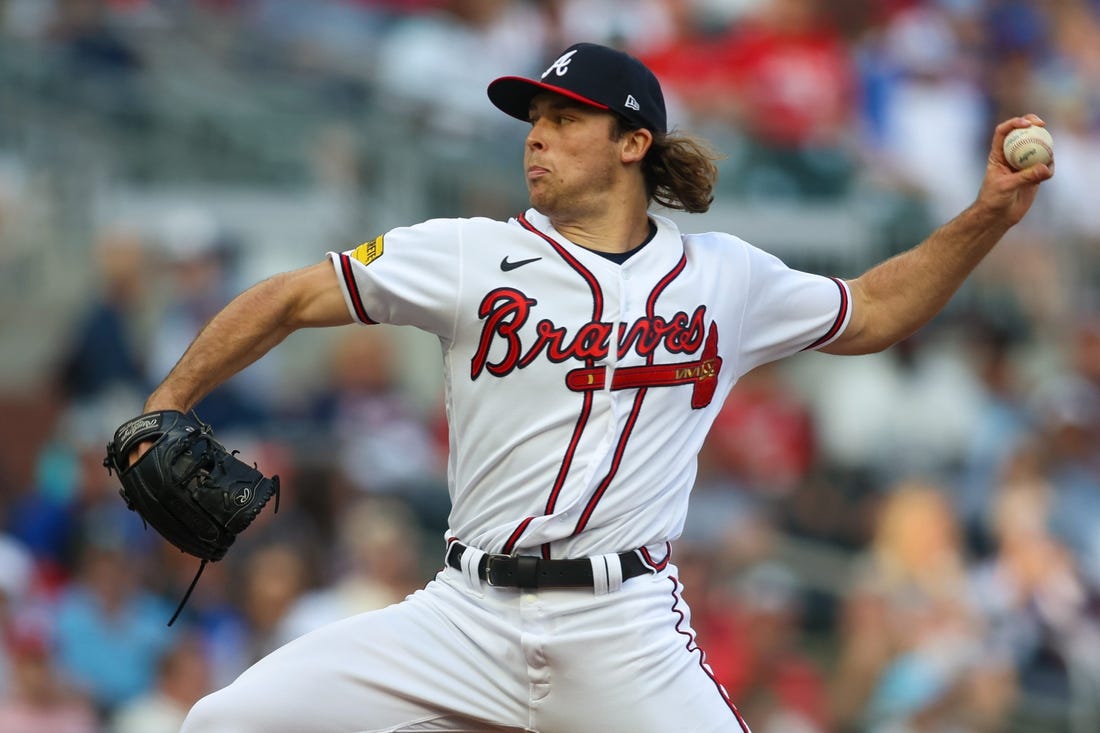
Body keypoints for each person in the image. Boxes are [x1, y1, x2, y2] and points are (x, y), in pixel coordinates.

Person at [128, 41, 1051, 733]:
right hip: (464, 613)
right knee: (223, 723)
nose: (537, 138)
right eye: (533, 120)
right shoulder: (470, 253)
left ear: (632, 142)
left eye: (565, 119)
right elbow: (294, 296)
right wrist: (169, 399)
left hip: (625, 624)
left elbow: (877, 310)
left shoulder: (725, 277)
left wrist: (987, 216)